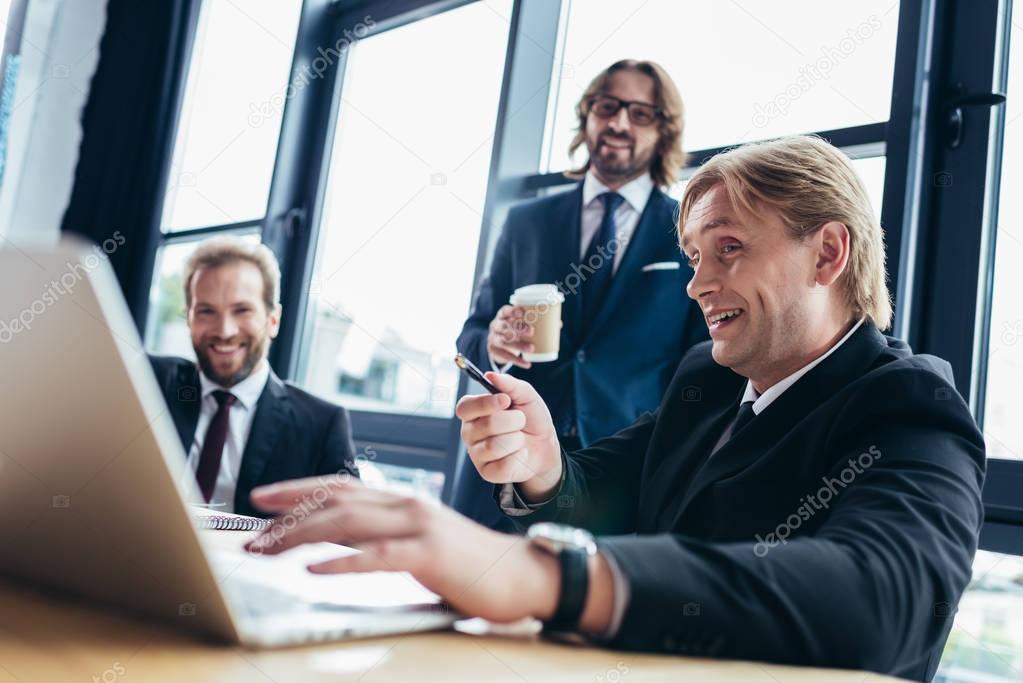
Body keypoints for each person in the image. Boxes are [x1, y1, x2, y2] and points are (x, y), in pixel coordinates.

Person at [244, 137, 985, 681]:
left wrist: (555, 577)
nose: (697, 285)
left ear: (827, 255)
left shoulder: (909, 403)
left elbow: (883, 604)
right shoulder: (710, 379)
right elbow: (599, 489)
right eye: (693, 257)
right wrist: (539, 464)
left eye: (727, 248)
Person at [454, 59, 707, 527]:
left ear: (663, 130)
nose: (618, 123)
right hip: (508, 465)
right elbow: (473, 331)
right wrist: (493, 343)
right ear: (587, 115)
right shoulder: (527, 221)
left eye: (640, 113)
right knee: (465, 599)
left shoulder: (686, 229)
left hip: (615, 477)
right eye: (607, 107)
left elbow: (702, 360)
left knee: (581, 599)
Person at [149, 236, 358, 516]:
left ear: (273, 320)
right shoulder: (146, 381)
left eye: (242, 310)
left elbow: (348, 533)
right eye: (206, 311)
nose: (224, 330)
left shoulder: (321, 425)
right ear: (189, 319)